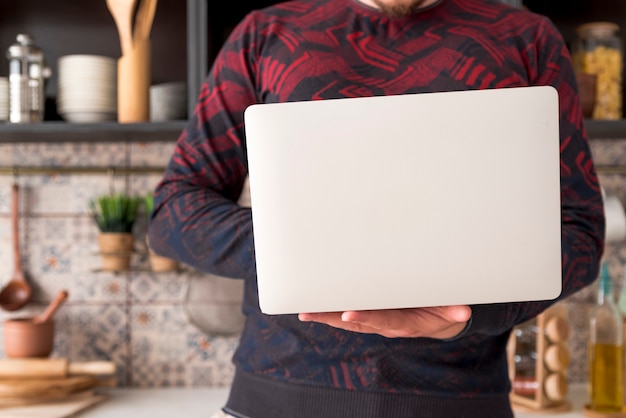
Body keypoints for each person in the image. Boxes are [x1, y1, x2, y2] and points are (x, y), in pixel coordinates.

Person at [148, 0, 605, 416]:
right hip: (276, 399)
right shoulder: (266, 33)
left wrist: (468, 315)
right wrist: (314, 248)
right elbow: (174, 211)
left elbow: (578, 231)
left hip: (460, 402)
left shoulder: (526, 38)